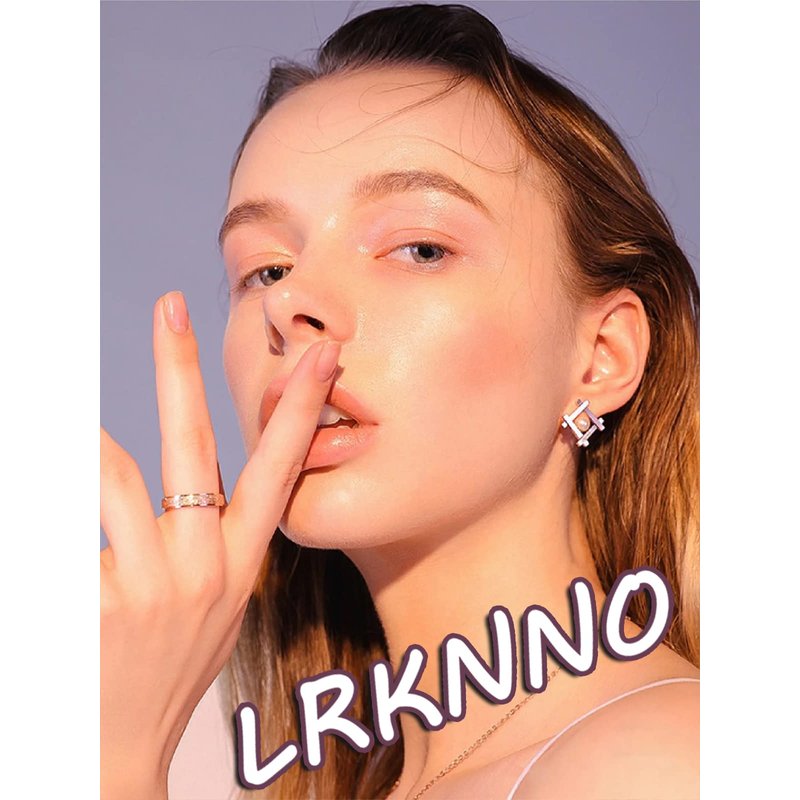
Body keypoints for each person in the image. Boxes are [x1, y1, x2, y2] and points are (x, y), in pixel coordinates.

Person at [100, 4, 699, 798]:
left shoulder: (660, 760)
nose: (290, 302)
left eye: (419, 248)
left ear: (601, 356)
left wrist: (115, 756)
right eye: (267, 269)